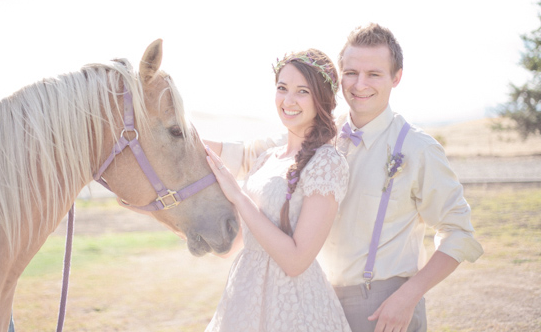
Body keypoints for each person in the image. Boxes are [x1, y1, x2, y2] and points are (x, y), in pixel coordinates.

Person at [216, 23, 484, 332]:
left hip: (382, 304)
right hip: (316, 300)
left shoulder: (418, 149)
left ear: (396, 78)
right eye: (351, 73)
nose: (359, 84)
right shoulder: (320, 133)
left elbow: (458, 232)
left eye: (374, 74)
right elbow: (253, 154)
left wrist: (408, 296)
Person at [204, 49, 352, 331]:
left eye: (302, 91)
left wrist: (237, 195)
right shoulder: (266, 159)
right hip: (244, 297)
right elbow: (235, 246)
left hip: (294, 307)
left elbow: (296, 261)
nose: (288, 100)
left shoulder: (327, 163)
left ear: (322, 98)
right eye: (282, 88)